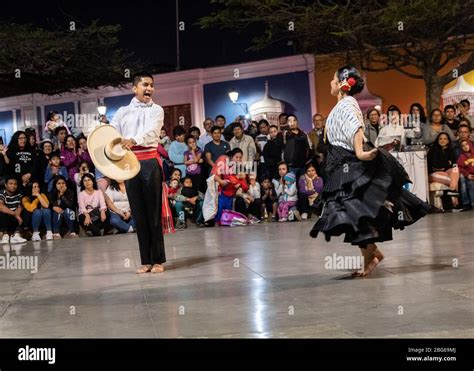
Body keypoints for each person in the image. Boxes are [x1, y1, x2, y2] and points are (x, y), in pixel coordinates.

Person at [310, 65, 430, 278]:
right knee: (351, 214)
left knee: (353, 211)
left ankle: (372, 256)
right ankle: (372, 255)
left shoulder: (348, 104)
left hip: (347, 162)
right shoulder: (341, 104)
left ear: (341, 84)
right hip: (338, 163)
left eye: (332, 80)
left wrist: (360, 152)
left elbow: (356, 126)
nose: (330, 83)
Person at [110, 72, 173, 274]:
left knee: (153, 212)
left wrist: (133, 140)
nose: (149, 88)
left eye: (152, 85)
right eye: (145, 84)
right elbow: (112, 132)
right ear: (134, 87)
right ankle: (146, 260)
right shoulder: (122, 111)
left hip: (149, 162)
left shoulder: (157, 110)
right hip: (129, 164)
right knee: (139, 213)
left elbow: (153, 132)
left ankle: (158, 260)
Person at [427, 132, 460, 208]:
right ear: (437, 140)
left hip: (446, 172)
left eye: (445, 139)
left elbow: (454, 164)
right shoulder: (433, 149)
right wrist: (447, 163)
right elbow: (435, 166)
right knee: (452, 179)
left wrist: (446, 165)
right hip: (433, 174)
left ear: (448, 141)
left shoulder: (450, 150)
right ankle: (454, 194)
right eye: (440, 139)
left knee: (455, 169)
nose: (442, 140)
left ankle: (452, 190)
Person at [0, 176, 27, 244]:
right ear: (6, 185)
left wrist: (18, 213)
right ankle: (5, 235)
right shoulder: (2, 193)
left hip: (14, 220)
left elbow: (20, 207)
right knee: (1, 212)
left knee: (25, 212)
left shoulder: (19, 194)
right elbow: (1, 206)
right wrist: (15, 214)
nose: (13, 186)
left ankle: (16, 235)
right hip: (5, 220)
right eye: (11, 184)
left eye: (15, 184)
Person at [456, 139, 474, 211]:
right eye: (463, 146)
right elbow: (459, 167)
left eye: (466, 144)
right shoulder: (462, 156)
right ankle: (470, 203)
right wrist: (467, 175)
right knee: (470, 184)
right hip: (468, 175)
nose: (465, 146)